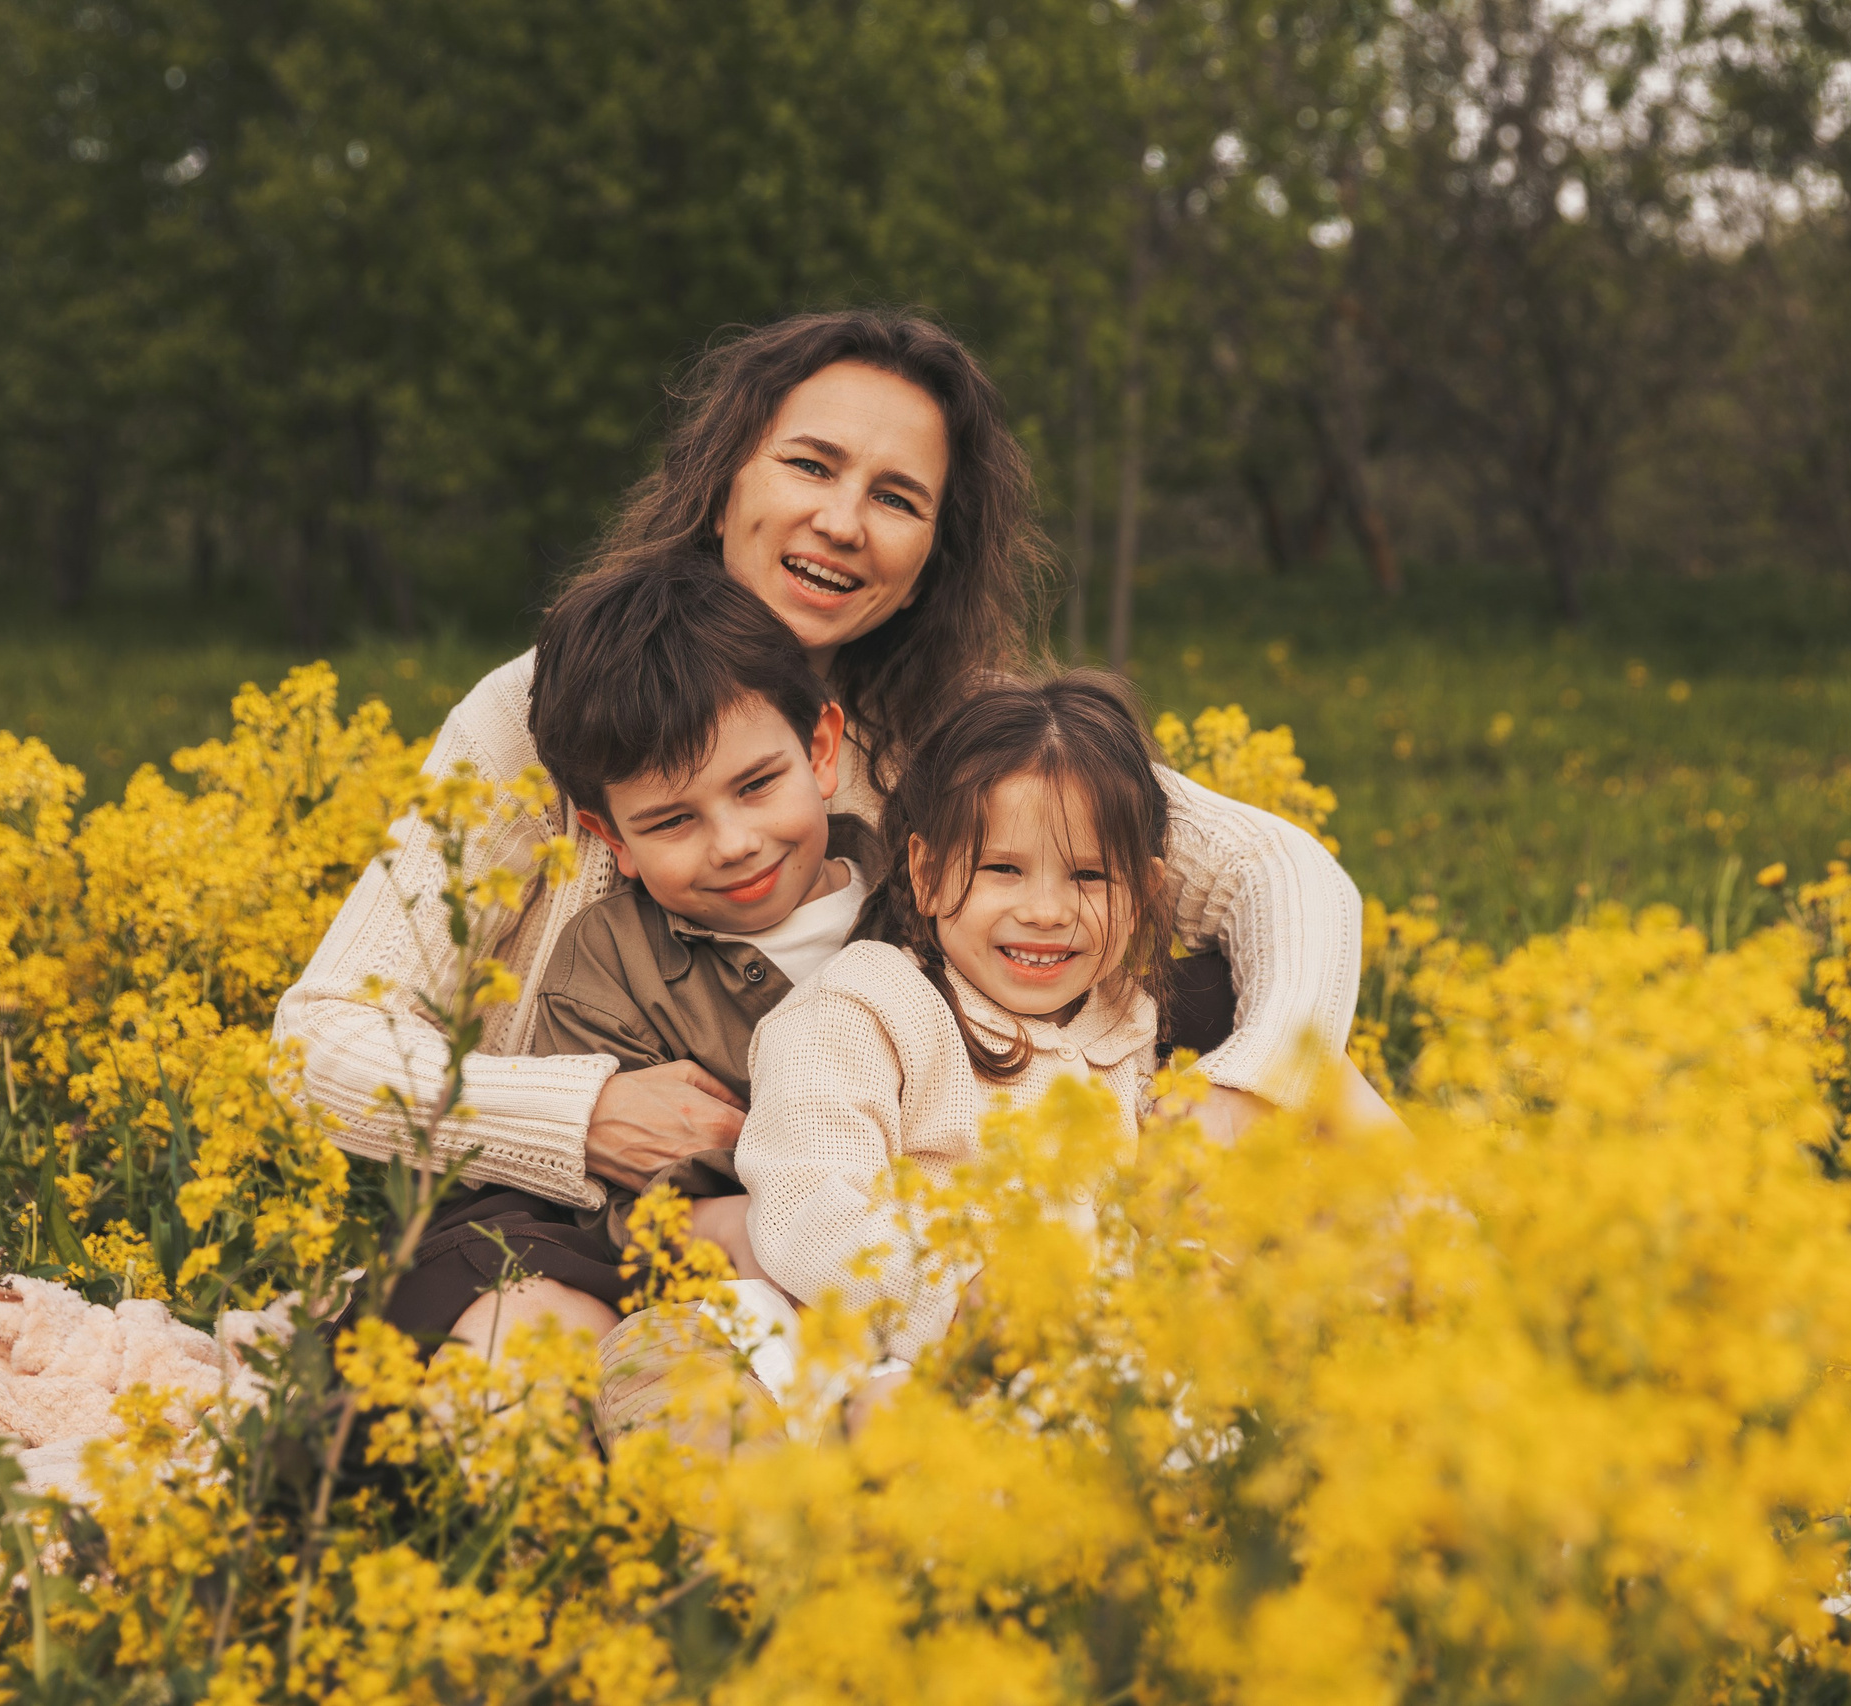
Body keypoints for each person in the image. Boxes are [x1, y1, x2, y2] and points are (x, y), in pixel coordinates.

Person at [273, 310, 1364, 1354]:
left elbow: (1277, 871)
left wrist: (1247, 1086)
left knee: (1304, 1075)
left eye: (896, 497)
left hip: (889, 1183)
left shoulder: (955, 722)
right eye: (810, 464)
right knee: (534, 1372)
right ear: (723, 480)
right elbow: (317, 1042)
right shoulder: (545, 712)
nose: (842, 521)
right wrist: (583, 1111)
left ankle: (1459, 1356)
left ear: (929, 553)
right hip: (619, 1214)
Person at [383, 556, 857, 1339]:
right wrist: (756, 1229)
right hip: (729, 1305)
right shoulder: (609, 965)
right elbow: (599, 1219)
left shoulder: (931, 901)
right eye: (673, 821)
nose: (734, 844)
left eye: (757, 785)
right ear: (613, 839)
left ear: (821, 751)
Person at [736, 672, 1173, 1379]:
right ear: (929, 873)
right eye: (1004, 868)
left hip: (1091, 1370)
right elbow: (802, 1200)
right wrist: (961, 1298)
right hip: (897, 1356)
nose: (1047, 911)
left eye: (1089, 877)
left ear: (1144, 894)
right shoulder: (869, 1003)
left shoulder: (1130, 1026)